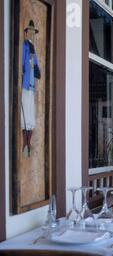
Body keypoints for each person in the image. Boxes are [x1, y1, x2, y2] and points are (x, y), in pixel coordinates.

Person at [21, 20, 41, 157]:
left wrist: (38, 70)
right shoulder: (25, 45)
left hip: (32, 84)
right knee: (25, 111)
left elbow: (35, 62)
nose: (32, 34)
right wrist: (23, 68)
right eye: (30, 31)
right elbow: (23, 60)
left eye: (33, 32)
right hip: (26, 83)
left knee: (31, 112)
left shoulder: (33, 46)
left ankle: (28, 143)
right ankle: (25, 143)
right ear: (27, 32)